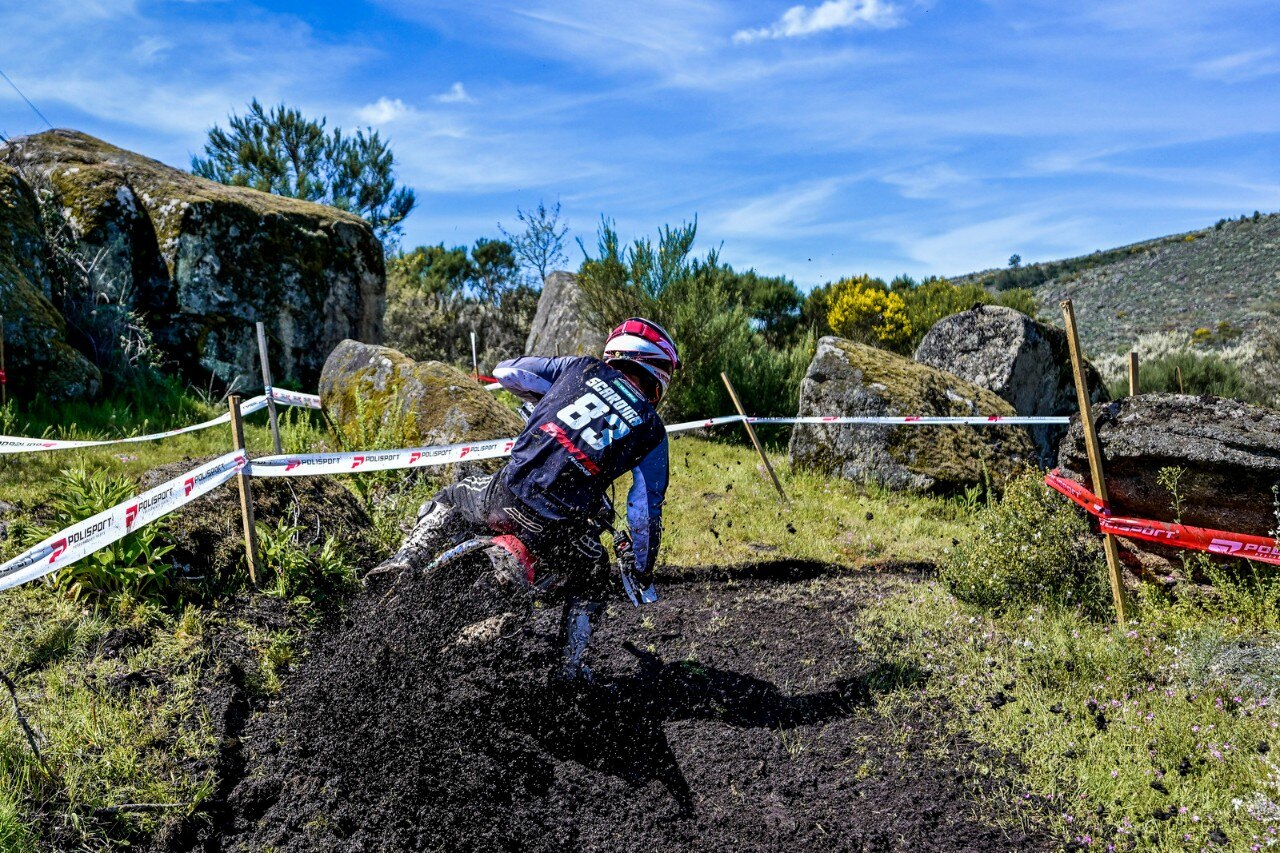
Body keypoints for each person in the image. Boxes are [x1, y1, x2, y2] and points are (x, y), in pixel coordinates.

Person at [367, 317, 679, 678]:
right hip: (557, 531)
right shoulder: (653, 429)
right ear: (658, 368)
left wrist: (552, 397)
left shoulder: (579, 369)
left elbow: (506, 372)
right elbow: (644, 510)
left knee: (452, 497)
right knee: (594, 575)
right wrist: (641, 569)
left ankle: (405, 559)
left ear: (616, 351)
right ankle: (570, 670)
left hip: (505, 496)